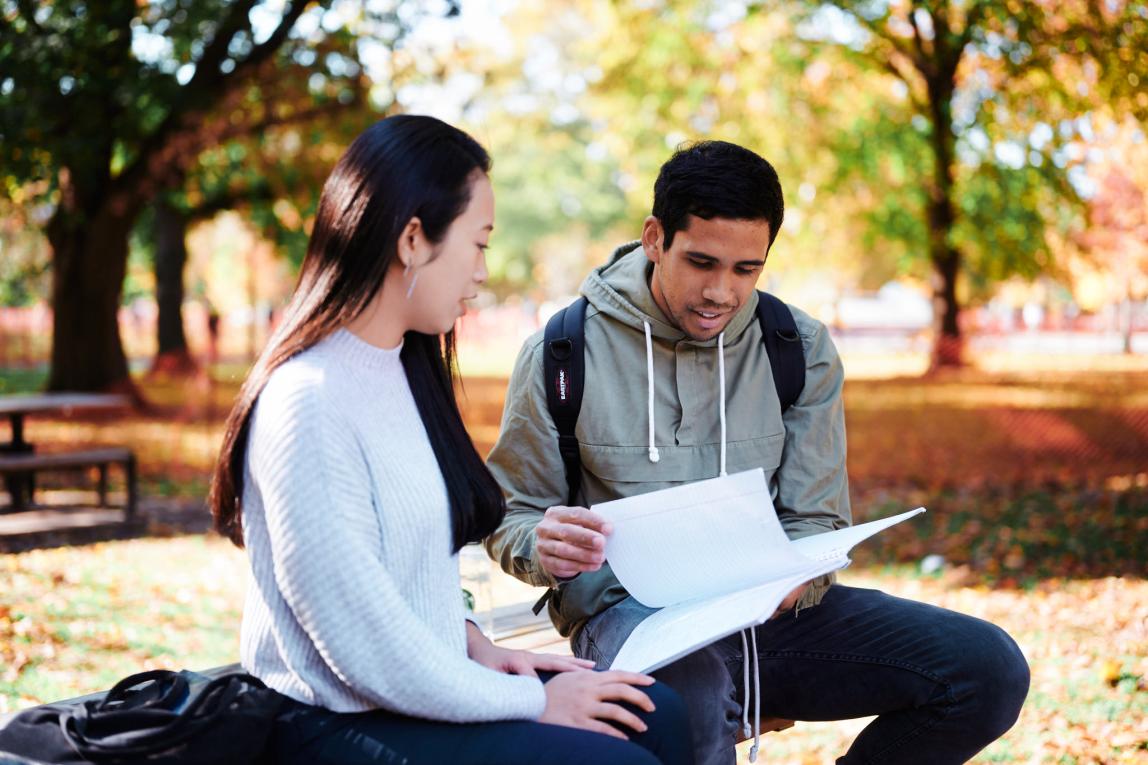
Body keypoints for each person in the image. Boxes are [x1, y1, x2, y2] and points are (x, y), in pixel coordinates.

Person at [485, 140, 1030, 765]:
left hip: (770, 616)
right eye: (702, 262)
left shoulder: (795, 346)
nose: (722, 291)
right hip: (630, 623)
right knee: (691, 699)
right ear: (655, 237)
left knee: (986, 670)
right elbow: (511, 514)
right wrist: (543, 545)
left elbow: (817, 521)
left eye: (747, 269)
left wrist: (797, 576)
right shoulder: (561, 351)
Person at [208, 115, 692, 765]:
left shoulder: (403, 368)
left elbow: (412, 561)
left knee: (655, 712)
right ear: (413, 239)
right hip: (328, 721)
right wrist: (533, 700)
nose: (484, 272)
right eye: (479, 243)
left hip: (413, 687)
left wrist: (471, 641)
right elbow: (364, 648)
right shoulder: (307, 401)